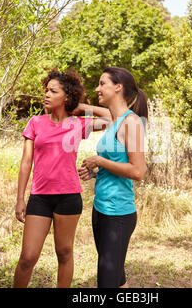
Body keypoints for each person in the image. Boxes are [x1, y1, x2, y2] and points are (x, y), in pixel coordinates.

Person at [13, 68, 101, 288]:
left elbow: (114, 117)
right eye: (46, 90)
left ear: (67, 96)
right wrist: (20, 198)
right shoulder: (35, 123)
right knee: (27, 258)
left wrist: (80, 107)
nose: (46, 94)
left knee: (64, 252)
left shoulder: (77, 123)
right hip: (40, 197)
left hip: (69, 196)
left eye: (53, 91)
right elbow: (26, 163)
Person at [77, 67, 147, 288]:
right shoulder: (114, 122)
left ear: (118, 87)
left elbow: (138, 171)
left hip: (118, 214)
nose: (97, 88)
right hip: (100, 210)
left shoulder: (132, 122)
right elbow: (117, 165)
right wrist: (96, 172)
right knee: (117, 280)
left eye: (102, 83)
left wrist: (100, 162)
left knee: (106, 284)